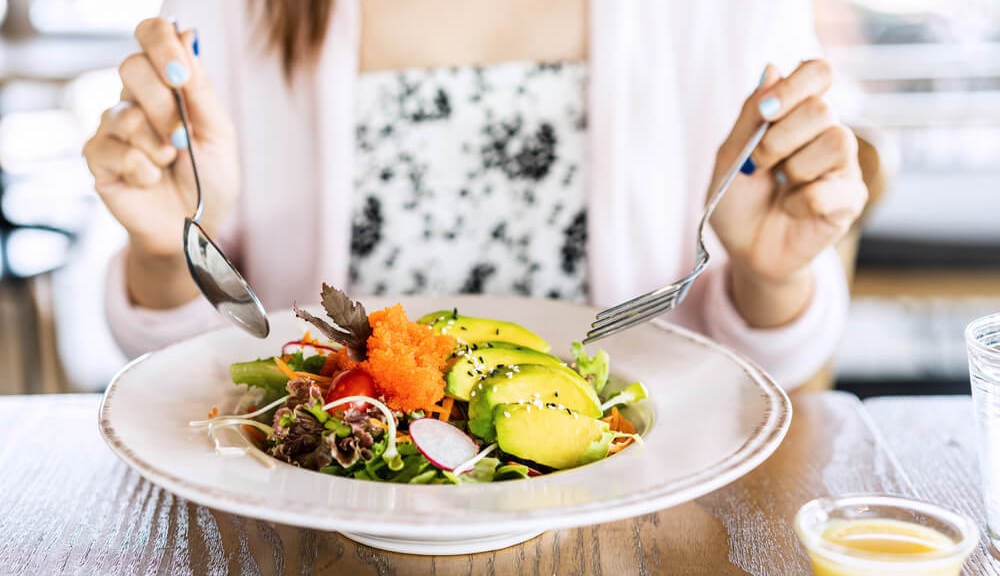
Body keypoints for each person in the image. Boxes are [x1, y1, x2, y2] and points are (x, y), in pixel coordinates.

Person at [82, 0, 867, 389]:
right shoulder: (234, 11)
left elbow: (776, 363)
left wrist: (771, 275)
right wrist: (171, 247)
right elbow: (183, 371)